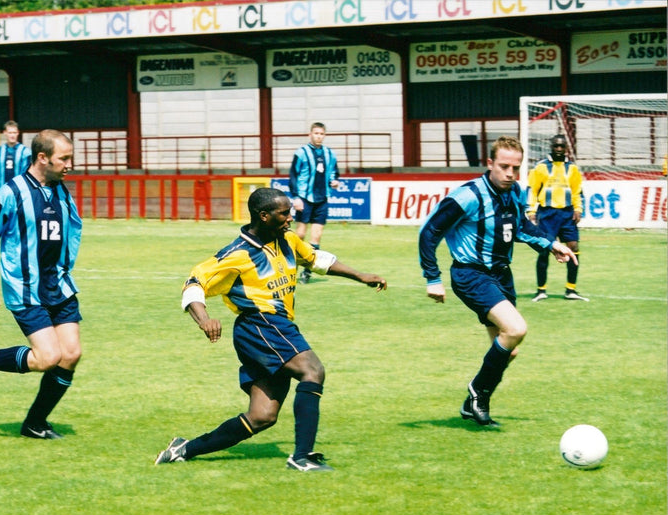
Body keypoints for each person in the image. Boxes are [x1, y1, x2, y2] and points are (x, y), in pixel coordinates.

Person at [155, 187, 387, 471]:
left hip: (274, 327)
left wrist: (360, 275)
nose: (291, 218)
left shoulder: (288, 240)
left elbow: (317, 259)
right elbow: (194, 282)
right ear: (264, 216)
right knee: (313, 370)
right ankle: (302, 457)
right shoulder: (237, 254)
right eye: (284, 213)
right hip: (260, 324)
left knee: (262, 416)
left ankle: (185, 448)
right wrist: (204, 319)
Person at [419, 136, 577, 426]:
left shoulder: (513, 191)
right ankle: (479, 392)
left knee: (509, 349)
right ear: (490, 163)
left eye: (515, 168)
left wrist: (550, 243)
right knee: (516, 328)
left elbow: (520, 227)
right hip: (471, 274)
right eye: (504, 166)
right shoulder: (467, 195)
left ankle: (471, 402)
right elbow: (429, 232)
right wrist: (433, 278)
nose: (509, 173)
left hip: (501, 275)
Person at [0, 129, 82, 440]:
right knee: (47, 358)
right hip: (26, 289)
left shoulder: (62, 192)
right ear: (43, 158)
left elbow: (69, 234)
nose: (71, 164)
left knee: (71, 354)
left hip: (60, 286)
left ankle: (35, 423)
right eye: (64, 158)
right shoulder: (11, 194)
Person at [526, 134, 588, 301]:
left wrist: (578, 208)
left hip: (567, 214)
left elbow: (577, 191)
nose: (559, 149)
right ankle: (541, 290)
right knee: (545, 250)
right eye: (556, 146)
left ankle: (571, 289)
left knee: (573, 247)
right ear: (551, 147)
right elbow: (532, 189)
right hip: (547, 214)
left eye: (562, 146)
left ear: (566, 148)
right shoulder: (540, 167)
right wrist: (531, 211)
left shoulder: (572, 168)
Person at [288, 122, 340, 284]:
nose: (318, 136)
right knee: (300, 235)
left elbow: (334, 172)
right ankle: (291, 266)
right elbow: (293, 175)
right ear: (310, 134)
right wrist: (295, 197)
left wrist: (334, 181)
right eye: (316, 133)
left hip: (322, 199)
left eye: (321, 134)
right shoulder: (301, 153)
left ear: (324, 135)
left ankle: (307, 272)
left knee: (316, 237)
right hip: (304, 198)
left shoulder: (330, 154)